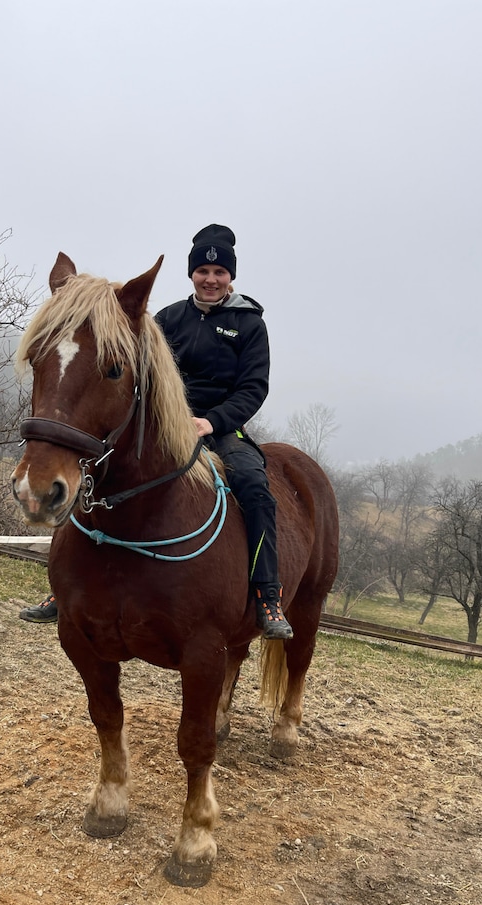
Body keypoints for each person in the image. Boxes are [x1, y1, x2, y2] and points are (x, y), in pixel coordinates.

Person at [154, 224, 293, 640]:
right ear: (191, 273)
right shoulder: (168, 318)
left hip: (221, 429)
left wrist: (211, 421)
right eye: (203, 270)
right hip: (165, 424)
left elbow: (254, 388)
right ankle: (65, 586)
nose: (210, 279)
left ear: (230, 276)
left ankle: (267, 594)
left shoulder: (249, 325)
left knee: (254, 486)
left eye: (219, 272)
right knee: (100, 463)